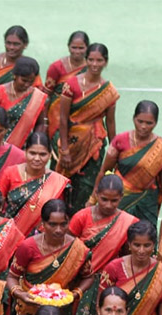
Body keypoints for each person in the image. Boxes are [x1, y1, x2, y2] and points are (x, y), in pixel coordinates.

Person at [7, 199, 93, 315]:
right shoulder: (28, 247)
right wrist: (21, 295)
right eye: (52, 224)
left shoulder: (78, 249)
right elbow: (12, 277)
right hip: (29, 309)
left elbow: (88, 277)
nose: (58, 230)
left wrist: (74, 295)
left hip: (60, 311)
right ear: (43, 223)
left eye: (63, 224)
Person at [52, 43, 119, 213]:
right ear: (86, 60)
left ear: (106, 62)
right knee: (63, 185)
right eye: (91, 60)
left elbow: (110, 123)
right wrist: (65, 149)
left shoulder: (108, 91)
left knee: (87, 187)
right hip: (72, 144)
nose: (95, 64)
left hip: (94, 145)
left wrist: (115, 150)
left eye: (99, 60)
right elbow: (63, 118)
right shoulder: (71, 85)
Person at [98, 100, 162, 224]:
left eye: (149, 123)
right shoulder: (120, 141)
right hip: (119, 199)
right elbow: (105, 171)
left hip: (146, 203)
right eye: (140, 121)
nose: (143, 126)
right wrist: (93, 200)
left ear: (156, 123)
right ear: (133, 118)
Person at [96, 221, 162, 315]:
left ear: (154, 245)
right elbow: (100, 305)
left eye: (147, 245)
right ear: (129, 244)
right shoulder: (113, 268)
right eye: (137, 245)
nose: (141, 250)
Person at [0, 132, 70, 238]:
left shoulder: (57, 182)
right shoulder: (10, 173)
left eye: (42, 154)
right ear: (25, 152)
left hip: (41, 241)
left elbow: (60, 217)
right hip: (8, 238)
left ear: (49, 155)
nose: (37, 158)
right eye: (32, 153)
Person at [70, 174, 138, 274]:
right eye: (104, 199)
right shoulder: (81, 217)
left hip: (108, 279)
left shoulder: (129, 223)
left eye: (114, 201)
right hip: (77, 274)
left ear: (121, 197)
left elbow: (127, 258)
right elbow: (67, 248)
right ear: (96, 194)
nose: (108, 205)